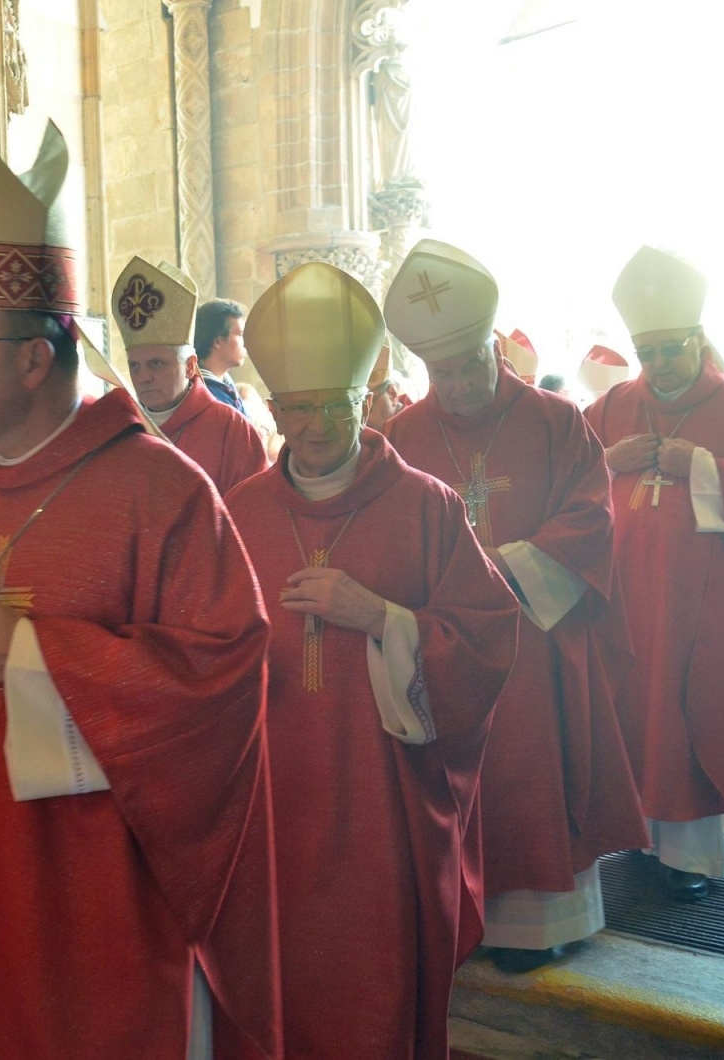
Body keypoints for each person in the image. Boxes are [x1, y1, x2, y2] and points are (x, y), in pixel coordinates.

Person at [0, 116, 279, 1059]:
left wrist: (24, 654)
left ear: (33, 354)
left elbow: (223, 676)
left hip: (94, 891)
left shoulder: (158, 488)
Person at [225, 261, 517, 1059]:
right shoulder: (239, 512)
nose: (315, 425)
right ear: (273, 407)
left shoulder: (427, 504)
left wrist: (383, 619)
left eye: (334, 404)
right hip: (273, 801)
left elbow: (489, 636)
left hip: (384, 800)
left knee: (374, 985)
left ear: (368, 395)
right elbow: (200, 651)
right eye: (296, 407)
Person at [382, 239, 647, 972]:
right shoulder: (401, 437)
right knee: (456, 772)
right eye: (445, 370)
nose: (462, 382)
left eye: (473, 363)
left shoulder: (558, 421)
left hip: (535, 636)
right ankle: (455, 910)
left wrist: (498, 574)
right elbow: (391, 533)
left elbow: (590, 519)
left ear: (495, 346)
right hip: (449, 642)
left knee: (531, 767)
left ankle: (540, 923)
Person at [584, 246, 724, 900]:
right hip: (625, 598)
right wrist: (609, 460)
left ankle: (690, 859)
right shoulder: (606, 413)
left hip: (709, 603)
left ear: (696, 339)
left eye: (670, 349)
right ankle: (639, 840)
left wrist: (706, 467)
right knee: (632, 713)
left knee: (690, 715)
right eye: (647, 351)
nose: (657, 364)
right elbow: (565, 490)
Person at [114, 256, 268, 497]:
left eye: (156, 364)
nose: (143, 377)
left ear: (189, 366)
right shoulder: (122, 428)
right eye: (134, 366)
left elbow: (254, 508)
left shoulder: (230, 427)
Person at [194, 297, 250, 414]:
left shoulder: (226, 386)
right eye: (240, 334)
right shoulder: (206, 395)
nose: (246, 341)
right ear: (217, 341)